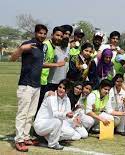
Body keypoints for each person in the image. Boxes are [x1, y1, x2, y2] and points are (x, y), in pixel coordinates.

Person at [10, 24, 48, 152]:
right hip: (26, 85)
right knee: (22, 113)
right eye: (40, 33)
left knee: (30, 114)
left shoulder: (42, 46)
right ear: (35, 33)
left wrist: (57, 65)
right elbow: (12, 58)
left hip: (36, 85)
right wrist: (21, 49)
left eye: (44, 33)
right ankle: (19, 140)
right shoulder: (28, 44)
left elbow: (40, 65)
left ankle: (26, 137)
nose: (42, 35)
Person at [34, 80, 86, 150]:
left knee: (74, 134)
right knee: (58, 121)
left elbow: (68, 114)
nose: (61, 90)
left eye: (64, 88)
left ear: (67, 90)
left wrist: (74, 118)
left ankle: (49, 137)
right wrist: (66, 114)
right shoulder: (52, 97)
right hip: (41, 125)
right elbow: (55, 114)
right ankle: (53, 144)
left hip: (54, 125)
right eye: (60, 87)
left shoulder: (67, 99)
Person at [38, 26, 66, 111]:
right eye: (57, 35)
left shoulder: (53, 47)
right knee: (39, 103)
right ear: (52, 35)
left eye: (61, 36)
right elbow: (40, 63)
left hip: (45, 80)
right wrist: (57, 64)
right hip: (39, 80)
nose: (59, 38)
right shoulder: (46, 45)